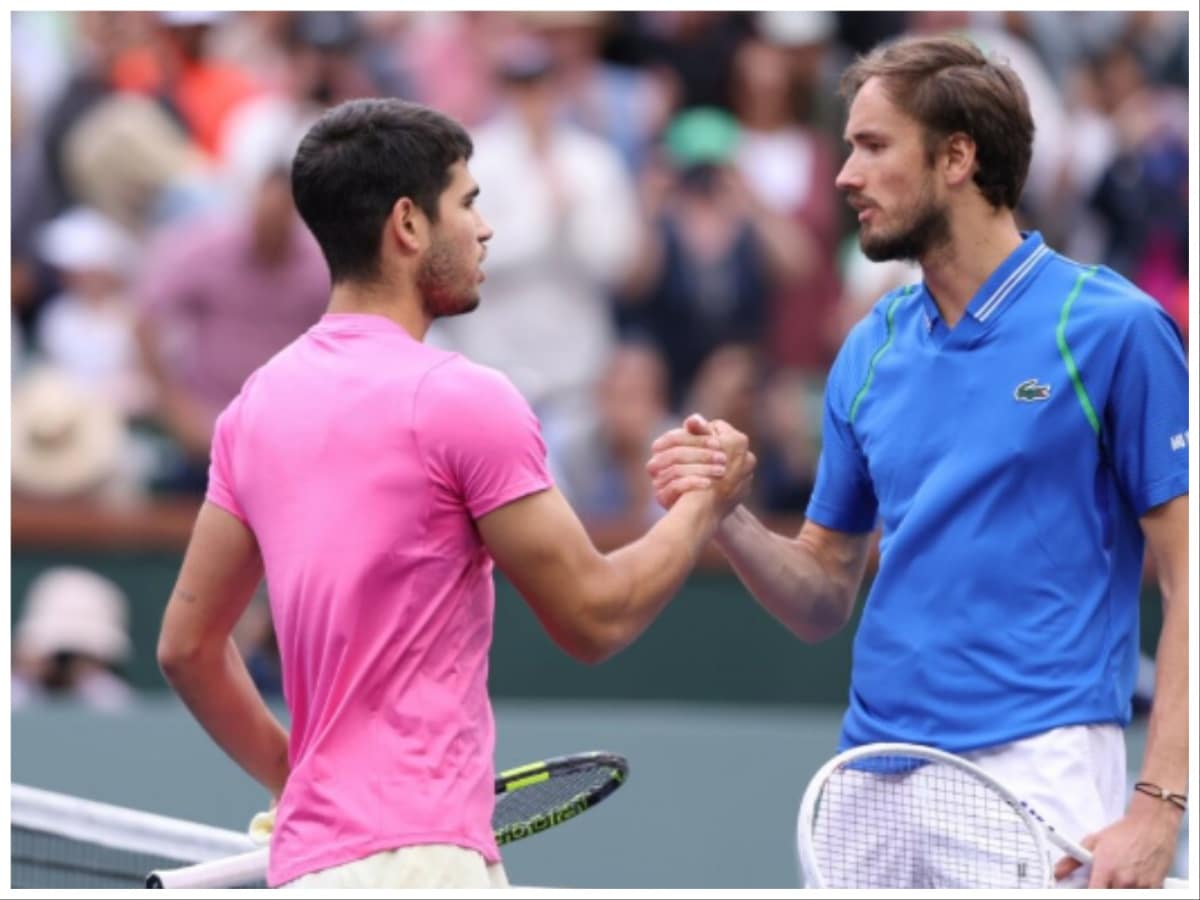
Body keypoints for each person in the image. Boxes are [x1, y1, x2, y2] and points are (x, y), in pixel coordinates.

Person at [155, 97, 754, 889]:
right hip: (422, 866)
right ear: (408, 225)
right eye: (468, 203)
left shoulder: (252, 408)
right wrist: (704, 504)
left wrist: (296, 775)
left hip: (308, 867)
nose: (486, 228)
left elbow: (187, 649)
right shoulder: (464, 399)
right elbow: (595, 615)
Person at [647, 35, 1187, 889]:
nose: (843, 176)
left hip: (1038, 767)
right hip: (871, 775)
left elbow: (1188, 573)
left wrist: (1159, 804)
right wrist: (727, 515)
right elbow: (825, 591)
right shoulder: (870, 347)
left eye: (871, 146)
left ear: (957, 159)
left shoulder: (1114, 327)